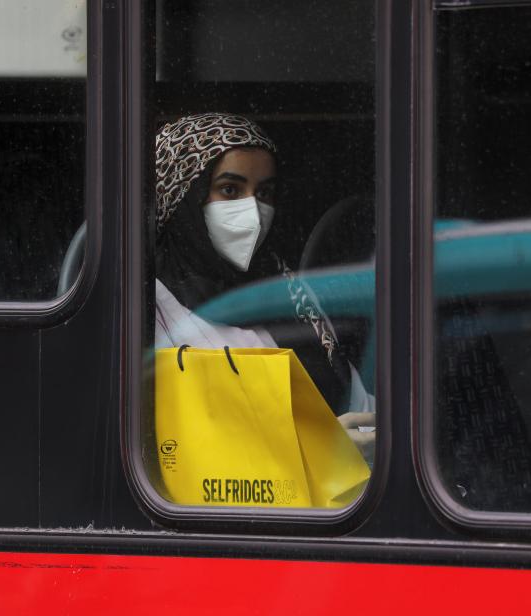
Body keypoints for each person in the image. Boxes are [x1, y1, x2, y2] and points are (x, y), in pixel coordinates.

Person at [154, 112, 375, 460]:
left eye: (265, 193)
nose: (253, 211)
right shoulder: (148, 309)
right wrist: (317, 450)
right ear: (184, 196)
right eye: (230, 189)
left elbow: (356, 405)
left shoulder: (289, 294)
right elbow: (169, 446)